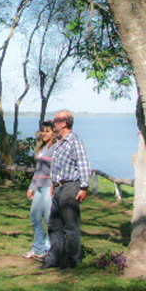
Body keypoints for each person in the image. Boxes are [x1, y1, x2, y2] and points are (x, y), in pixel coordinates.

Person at [40, 109, 91, 270]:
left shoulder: (74, 141)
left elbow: (83, 163)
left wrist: (84, 187)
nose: (54, 123)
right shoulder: (59, 142)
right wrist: (53, 185)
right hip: (58, 187)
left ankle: (71, 261)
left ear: (64, 123)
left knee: (70, 226)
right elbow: (56, 166)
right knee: (54, 224)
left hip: (71, 186)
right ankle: (53, 259)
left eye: (56, 121)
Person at [23, 120, 58, 261]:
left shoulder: (56, 148)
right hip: (39, 187)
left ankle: (49, 249)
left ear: (54, 133)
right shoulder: (42, 148)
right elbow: (38, 170)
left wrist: (55, 186)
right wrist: (32, 187)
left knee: (50, 220)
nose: (44, 133)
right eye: (43, 131)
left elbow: (58, 169)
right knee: (35, 217)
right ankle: (38, 249)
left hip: (50, 187)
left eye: (47, 131)